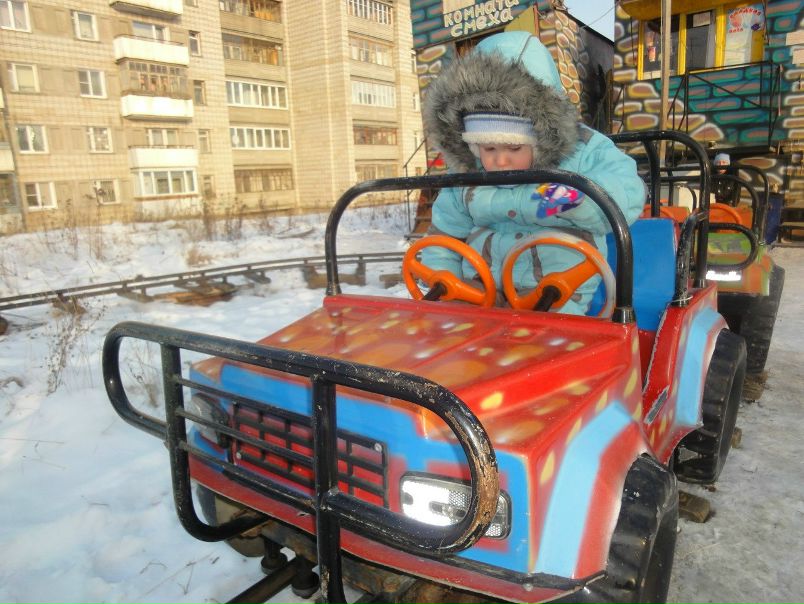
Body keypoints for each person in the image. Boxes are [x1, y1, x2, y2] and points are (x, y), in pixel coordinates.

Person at [420, 31, 645, 315]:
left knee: (542, 336)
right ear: (473, 146)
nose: (500, 160)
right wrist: (443, 278)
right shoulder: (468, 177)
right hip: (482, 285)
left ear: (539, 139)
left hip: (555, 286)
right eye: (488, 148)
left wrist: (577, 199)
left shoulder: (584, 150)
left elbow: (628, 190)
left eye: (514, 147)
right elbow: (445, 236)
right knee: (458, 329)